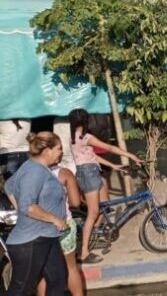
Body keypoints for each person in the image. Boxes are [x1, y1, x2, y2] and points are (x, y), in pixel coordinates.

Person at [68, 108, 142, 264]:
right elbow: (109, 148)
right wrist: (130, 155)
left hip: (91, 171)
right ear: (85, 121)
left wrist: (113, 165)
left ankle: (96, 235)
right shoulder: (86, 137)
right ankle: (84, 253)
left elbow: (92, 156)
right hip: (89, 174)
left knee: (104, 206)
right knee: (93, 212)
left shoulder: (74, 138)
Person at [4, 132, 68, 296]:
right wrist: (56, 220)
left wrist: (20, 206)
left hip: (46, 237)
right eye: (58, 149)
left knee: (58, 280)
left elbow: (9, 186)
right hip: (31, 241)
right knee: (21, 290)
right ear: (47, 151)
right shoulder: (35, 171)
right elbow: (29, 207)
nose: (61, 152)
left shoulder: (33, 167)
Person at [37, 162, 84, 296]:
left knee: (43, 271)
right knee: (70, 267)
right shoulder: (64, 173)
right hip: (64, 225)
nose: (61, 153)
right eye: (58, 149)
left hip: (39, 228)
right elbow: (75, 203)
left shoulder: (28, 173)